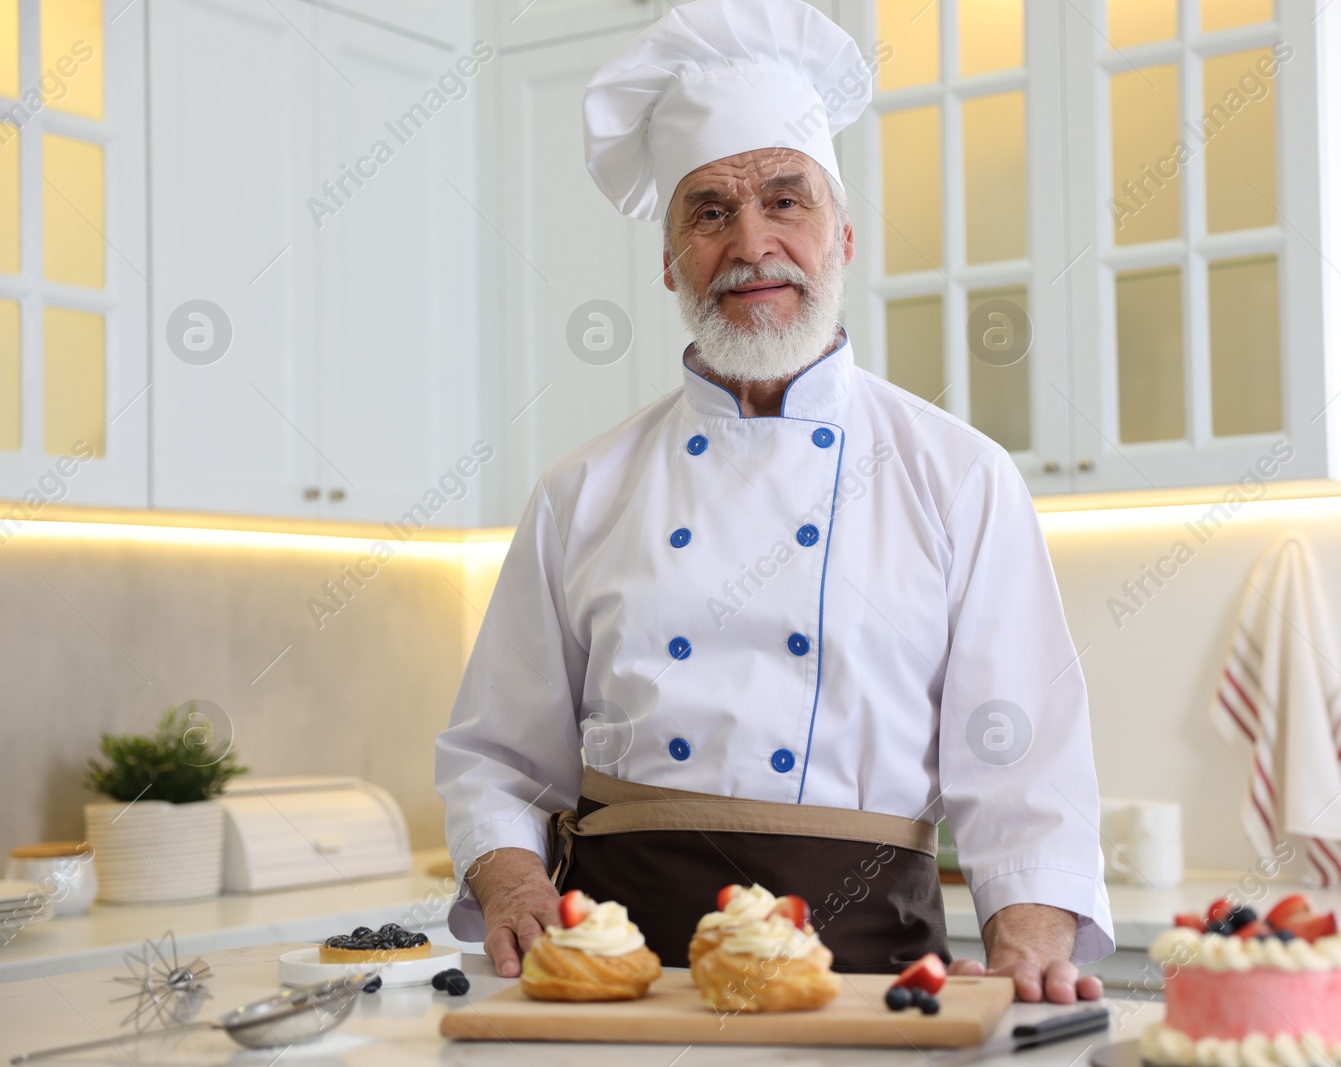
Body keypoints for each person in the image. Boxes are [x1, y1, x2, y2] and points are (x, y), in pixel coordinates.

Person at [435, 0, 1112, 1004]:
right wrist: (510, 873)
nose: (751, 243)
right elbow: (497, 755)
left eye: (784, 200)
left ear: (841, 234)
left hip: (872, 968)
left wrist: (1028, 938)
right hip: (624, 978)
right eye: (708, 211)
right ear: (669, 259)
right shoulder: (580, 491)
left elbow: (1023, 768)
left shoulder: (958, 475)